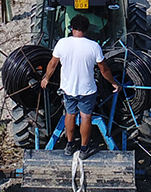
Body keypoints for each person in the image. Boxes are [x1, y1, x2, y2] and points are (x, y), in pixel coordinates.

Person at [39, 14, 120, 159]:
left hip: (68, 89)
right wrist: (114, 83)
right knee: (86, 117)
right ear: (87, 29)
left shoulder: (62, 43)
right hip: (87, 90)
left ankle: (69, 145)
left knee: (70, 115)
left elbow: (52, 64)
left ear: (71, 28)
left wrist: (46, 78)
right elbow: (104, 70)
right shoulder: (94, 46)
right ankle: (84, 149)